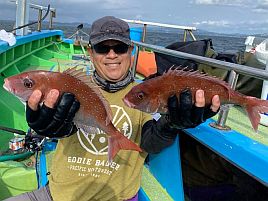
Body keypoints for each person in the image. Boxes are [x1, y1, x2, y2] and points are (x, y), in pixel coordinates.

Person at [5, 16, 220, 201]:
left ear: (131, 51)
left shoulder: (143, 96)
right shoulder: (73, 88)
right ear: (91, 52)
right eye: (102, 48)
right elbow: (59, 127)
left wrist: (170, 125)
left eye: (119, 47)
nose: (111, 55)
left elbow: (150, 143)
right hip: (57, 194)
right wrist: (45, 126)